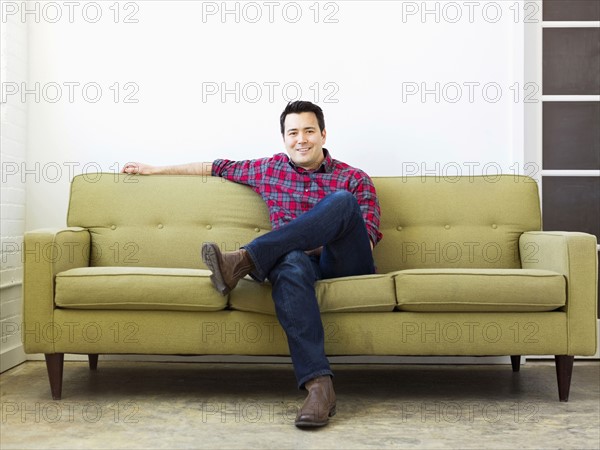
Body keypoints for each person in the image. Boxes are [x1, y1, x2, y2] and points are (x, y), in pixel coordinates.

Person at [122, 100, 383, 428]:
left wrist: (306, 237)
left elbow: (367, 241)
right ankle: (319, 388)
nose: (301, 139)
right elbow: (215, 167)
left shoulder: (354, 178)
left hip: (345, 262)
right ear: (284, 138)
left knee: (342, 204)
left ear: (323, 135)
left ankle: (244, 259)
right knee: (288, 265)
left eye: (308, 131)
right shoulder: (269, 169)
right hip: (297, 263)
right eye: (293, 133)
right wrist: (154, 170)